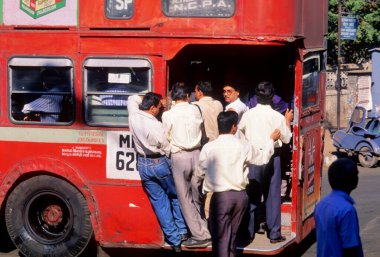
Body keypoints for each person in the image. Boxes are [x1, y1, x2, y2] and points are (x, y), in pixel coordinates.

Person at [195, 111, 281, 257]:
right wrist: (270, 141)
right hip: (240, 197)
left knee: (221, 238)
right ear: (234, 127)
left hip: (221, 198)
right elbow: (262, 159)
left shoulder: (209, 148)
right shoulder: (243, 145)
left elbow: (200, 172)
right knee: (232, 237)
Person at [128, 93, 188, 252]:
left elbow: (132, 98)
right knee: (175, 195)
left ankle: (174, 241)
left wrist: (148, 97)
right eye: (159, 107)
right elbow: (165, 145)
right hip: (159, 162)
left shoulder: (133, 115)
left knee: (159, 203)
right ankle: (182, 231)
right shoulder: (155, 125)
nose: (161, 110)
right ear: (152, 108)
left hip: (142, 163)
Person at [238, 81, 293, 243]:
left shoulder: (248, 114)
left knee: (252, 195)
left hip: (253, 157)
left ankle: (248, 232)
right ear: (272, 97)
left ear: (256, 96)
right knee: (273, 195)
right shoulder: (277, 117)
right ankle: (274, 233)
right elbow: (287, 138)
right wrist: (287, 121)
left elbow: (240, 131)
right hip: (272, 157)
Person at [162, 82, 211, 249]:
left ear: (173, 97)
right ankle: (204, 229)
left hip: (179, 156)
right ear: (186, 96)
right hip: (197, 154)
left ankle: (200, 235)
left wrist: (170, 151)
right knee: (198, 195)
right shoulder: (196, 109)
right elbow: (203, 131)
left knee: (185, 198)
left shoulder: (168, 115)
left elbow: (165, 138)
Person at [314, 158, 363, 257]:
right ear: (351, 179)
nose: (357, 177)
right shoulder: (347, 210)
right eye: (356, 174)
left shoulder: (321, 204)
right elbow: (350, 248)